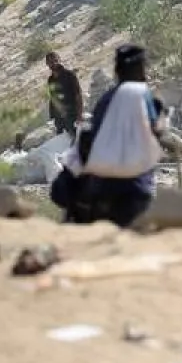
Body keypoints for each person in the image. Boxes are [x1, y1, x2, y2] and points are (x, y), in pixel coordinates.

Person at [51, 45, 164, 228]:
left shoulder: (107, 98)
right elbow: (154, 131)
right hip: (135, 188)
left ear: (118, 71)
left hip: (100, 185)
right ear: (141, 70)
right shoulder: (143, 95)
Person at [45, 52, 84, 136]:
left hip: (72, 114)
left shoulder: (69, 75)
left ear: (60, 60)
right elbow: (53, 98)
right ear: (47, 64)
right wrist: (52, 116)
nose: (54, 63)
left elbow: (78, 95)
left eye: (56, 60)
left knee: (76, 140)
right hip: (59, 118)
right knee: (64, 143)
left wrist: (79, 115)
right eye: (51, 62)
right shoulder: (50, 80)